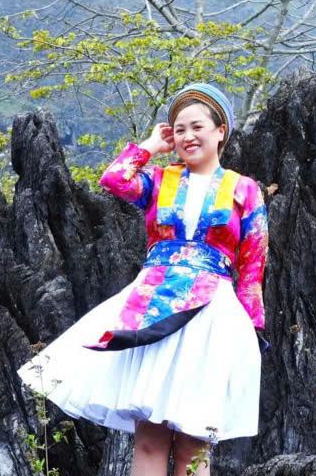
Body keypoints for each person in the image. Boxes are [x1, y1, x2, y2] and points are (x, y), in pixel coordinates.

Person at [18, 82, 267, 476]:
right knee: (150, 436)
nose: (187, 136)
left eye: (197, 126)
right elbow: (114, 179)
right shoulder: (159, 181)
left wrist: (251, 331)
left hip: (210, 315)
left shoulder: (244, 190)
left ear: (221, 132)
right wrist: (151, 145)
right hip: (154, 306)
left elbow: (253, 267)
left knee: (195, 441)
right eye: (179, 128)